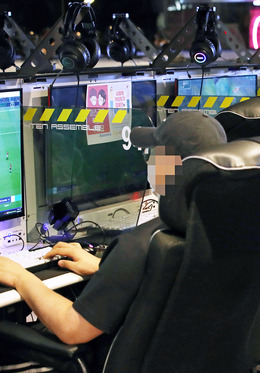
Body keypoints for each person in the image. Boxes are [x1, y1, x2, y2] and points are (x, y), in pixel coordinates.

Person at [0, 110, 227, 371]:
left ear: (170, 167)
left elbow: (72, 329)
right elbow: (181, 285)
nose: (150, 160)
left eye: (155, 152)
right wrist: (105, 269)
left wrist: (20, 277)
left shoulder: (141, 245)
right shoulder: (229, 225)